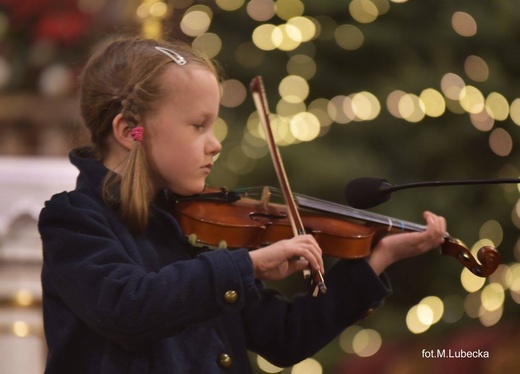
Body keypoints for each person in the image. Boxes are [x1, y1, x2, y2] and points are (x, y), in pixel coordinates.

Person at [38, 36, 447, 374]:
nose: (215, 143)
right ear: (131, 131)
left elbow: (284, 337)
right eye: (198, 125)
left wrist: (374, 262)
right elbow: (128, 308)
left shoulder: (193, 224)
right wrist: (248, 265)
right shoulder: (73, 219)